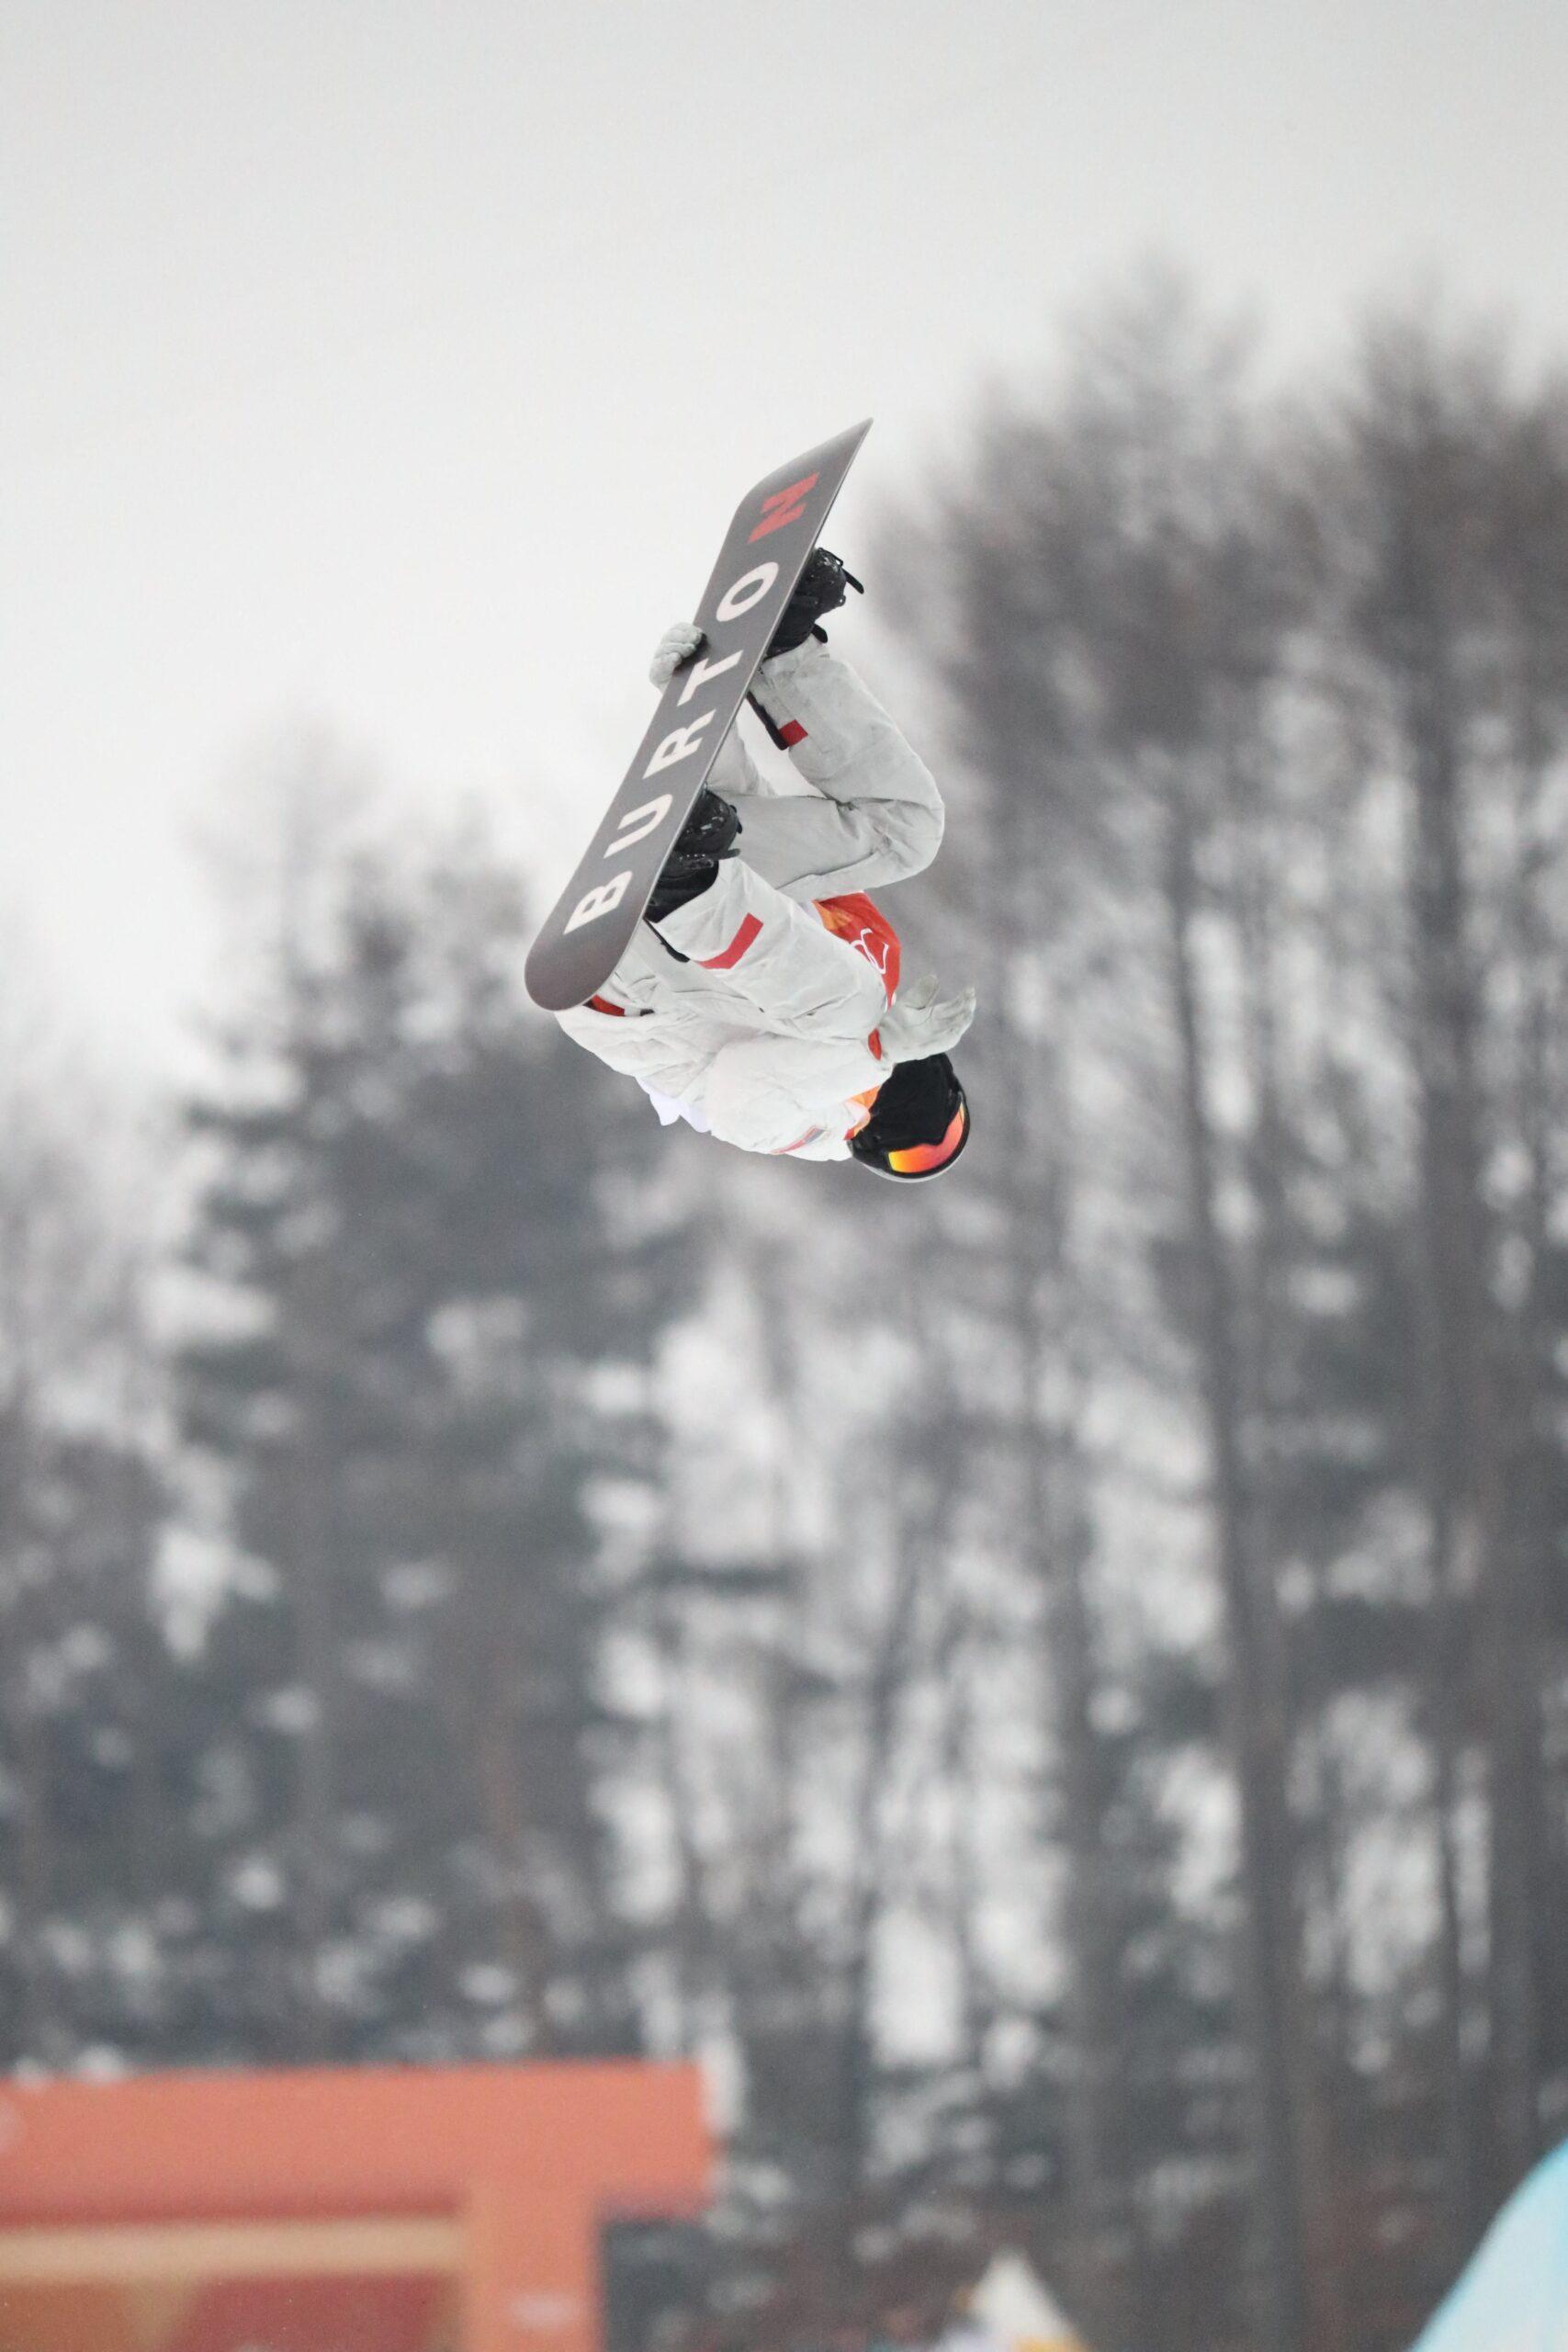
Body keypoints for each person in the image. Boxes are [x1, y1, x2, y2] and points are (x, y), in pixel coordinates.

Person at [555, 551, 976, 1179]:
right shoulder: (877, 954)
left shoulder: (830, 1125)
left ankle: (682, 888)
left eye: (912, 1159)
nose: (920, 1137)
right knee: (907, 829)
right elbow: (762, 841)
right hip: (699, 891)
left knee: (853, 1011)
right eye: (942, 1140)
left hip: (628, 990)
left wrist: (878, 1052)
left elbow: (738, 1101)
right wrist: (700, 713)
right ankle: (783, 654)